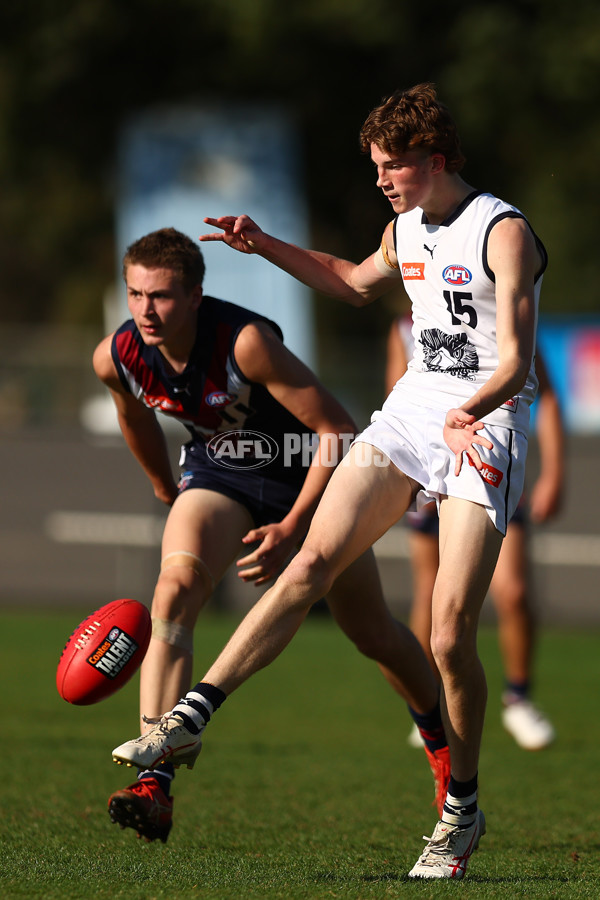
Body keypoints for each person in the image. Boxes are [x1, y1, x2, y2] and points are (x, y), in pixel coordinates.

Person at [110, 83, 547, 879]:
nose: (381, 179)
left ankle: (463, 809)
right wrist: (264, 243)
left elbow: (518, 358)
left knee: (447, 635)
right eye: (376, 165)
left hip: (486, 423)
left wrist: (473, 408)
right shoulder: (405, 228)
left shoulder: (503, 230)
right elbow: (351, 280)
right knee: (312, 559)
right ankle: (188, 717)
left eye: (392, 166)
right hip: (416, 412)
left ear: (434, 160)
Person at [94, 226, 449, 844]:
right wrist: (161, 483)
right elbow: (133, 415)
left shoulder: (246, 343)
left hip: (305, 476)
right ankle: (154, 784)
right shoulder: (117, 355)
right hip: (218, 476)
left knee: (373, 634)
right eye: (136, 294)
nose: (148, 310)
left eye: (164, 296)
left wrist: (294, 524)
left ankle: (445, 749)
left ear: (197, 295)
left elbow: (336, 428)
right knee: (174, 593)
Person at [386, 314, 563, 751]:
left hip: (490, 463)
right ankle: (429, 707)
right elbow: (397, 396)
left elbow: (549, 395)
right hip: (434, 469)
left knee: (514, 592)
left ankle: (518, 699)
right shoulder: (404, 328)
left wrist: (555, 473)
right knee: (430, 593)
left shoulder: (505, 313)